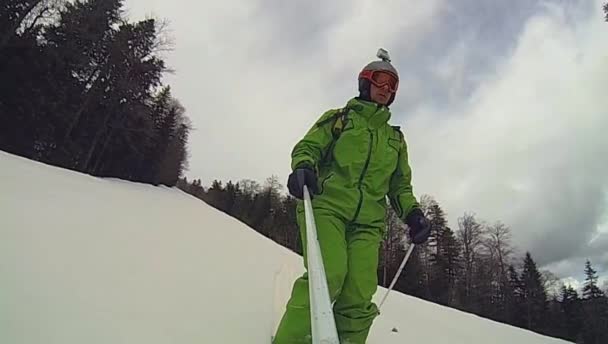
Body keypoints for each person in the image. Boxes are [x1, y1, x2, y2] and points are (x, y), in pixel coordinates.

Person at [272, 49, 431, 344]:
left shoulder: (395, 139)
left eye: (392, 85)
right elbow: (308, 146)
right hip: (327, 206)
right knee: (328, 274)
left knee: (359, 290)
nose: (386, 89)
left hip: (368, 222)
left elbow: (400, 186)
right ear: (365, 82)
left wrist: (413, 214)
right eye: (381, 80)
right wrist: (304, 167)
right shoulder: (340, 119)